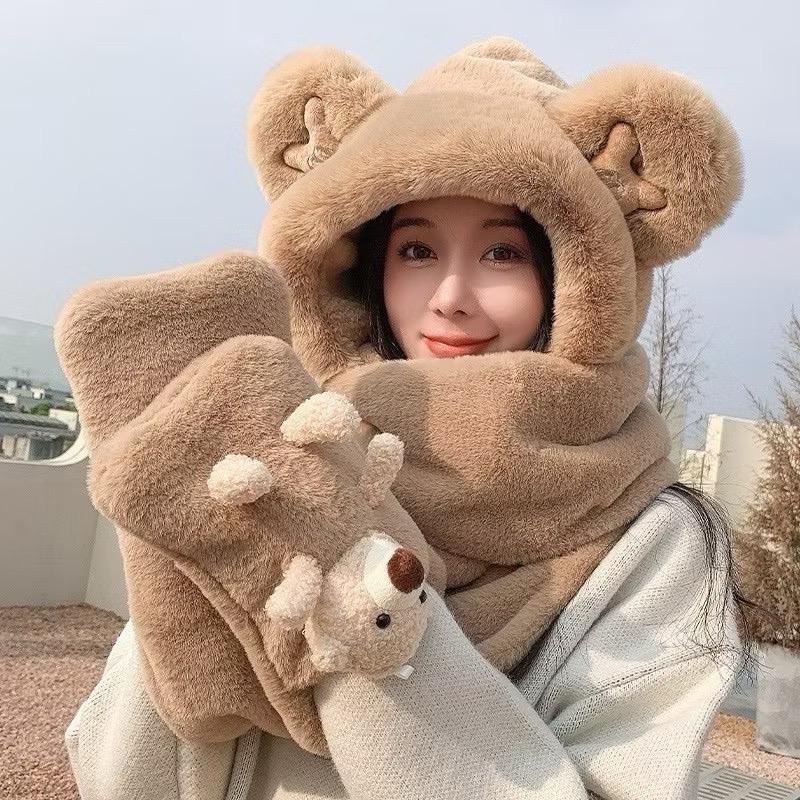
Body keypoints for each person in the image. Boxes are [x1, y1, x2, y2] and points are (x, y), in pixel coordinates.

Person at [60, 37, 755, 800]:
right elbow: (118, 771)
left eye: (503, 254)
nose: (451, 296)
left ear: (576, 276)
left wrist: (361, 591)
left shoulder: (654, 539)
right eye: (417, 249)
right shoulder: (287, 450)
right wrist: (179, 554)